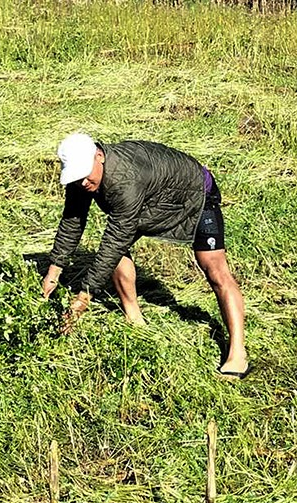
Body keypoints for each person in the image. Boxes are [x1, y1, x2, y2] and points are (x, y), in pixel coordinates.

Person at [42, 133, 250, 379]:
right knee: (116, 251)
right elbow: (72, 221)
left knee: (215, 270)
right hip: (150, 200)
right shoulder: (83, 179)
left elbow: (114, 240)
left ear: (99, 155)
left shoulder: (125, 180)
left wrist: (82, 298)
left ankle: (238, 352)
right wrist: (53, 273)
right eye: (76, 176)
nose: (83, 183)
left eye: (85, 173)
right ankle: (134, 319)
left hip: (194, 193)